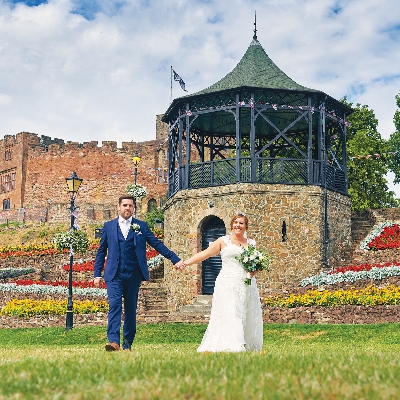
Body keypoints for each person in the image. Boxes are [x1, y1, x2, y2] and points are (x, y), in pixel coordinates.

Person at [94, 195, 185, 351]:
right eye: (124, 205)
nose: (127, 208)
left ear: (134, 208)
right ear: (118, 207)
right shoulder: (108, 226)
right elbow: (101, 251)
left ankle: (127, 343)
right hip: (114, 274)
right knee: (114, 305)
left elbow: (156, 244)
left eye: (130, 206)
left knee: (130, 308)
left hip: (133, 274)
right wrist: (97, 273)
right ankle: (114, 342)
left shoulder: (141, 226)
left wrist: (175, 259)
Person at [182, 212, 263, 352]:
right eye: (236, 222)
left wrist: (254, 270)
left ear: (246, 226)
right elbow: (205, 254)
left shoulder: (251, 244)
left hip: (246, 283)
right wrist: (186, 262)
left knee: (245, 311)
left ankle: (245, 342)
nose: (238, 225)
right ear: (232, 224)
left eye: (241, 223)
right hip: (227, 282)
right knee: (230, 311)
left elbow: (255, 264)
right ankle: (234, 344)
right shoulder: (223, 241)